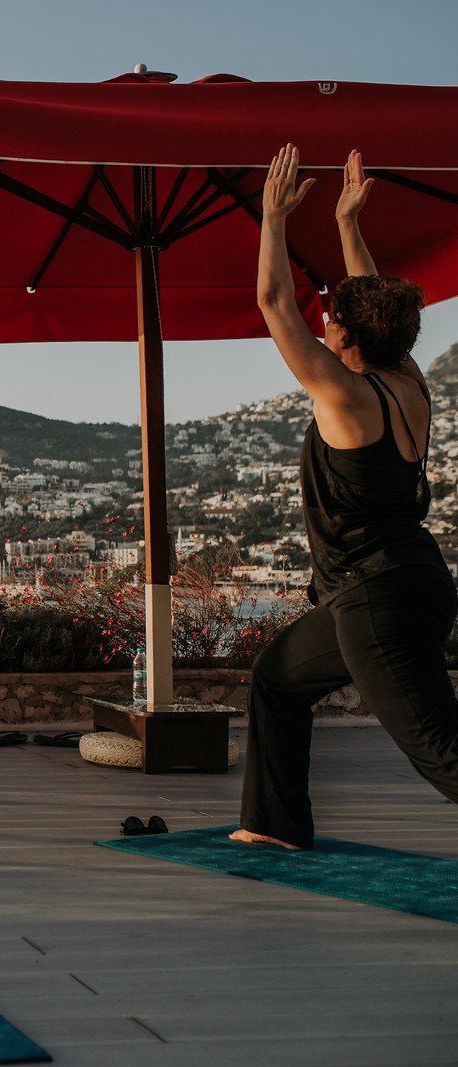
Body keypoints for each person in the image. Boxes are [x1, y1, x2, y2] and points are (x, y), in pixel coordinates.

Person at [233, 146, 458, 850]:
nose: (322, 320)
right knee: (275, 678)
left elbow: (273, 302)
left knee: (441, 752)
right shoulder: (407, 382)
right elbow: (377, 298)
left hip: (378, 601)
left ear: (348, 339)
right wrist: (346, 224)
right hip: (401, 582)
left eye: (331, 316)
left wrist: (273, 218)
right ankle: (276, 827)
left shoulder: (347, 395)